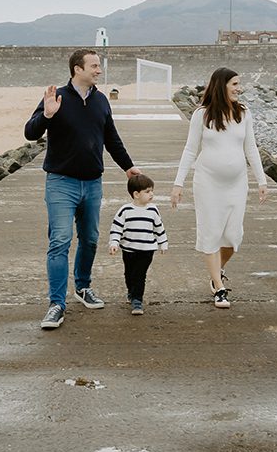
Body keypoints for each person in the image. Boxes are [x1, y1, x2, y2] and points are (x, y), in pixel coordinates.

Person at [25, 48, 141, 331]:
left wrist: (128, 167)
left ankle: (83, 287)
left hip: (92, 183)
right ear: (77, 69)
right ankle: (56, 304)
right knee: (60, 241)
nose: (98, 70)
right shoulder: (58, 97)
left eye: (98, 66)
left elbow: (111, 138)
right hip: (61, 182)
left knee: (90, 239)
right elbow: (30, 132)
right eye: (94, 66)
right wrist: (47, 115)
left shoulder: (101, 101)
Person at [170, 66, 267, 310]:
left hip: (237, 183)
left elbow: (251, 148)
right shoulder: (201, 115)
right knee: (211, 232)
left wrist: (262, 180)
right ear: (221, 85)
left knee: (233, 236)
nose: (239, 88)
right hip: (208, 183)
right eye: (235, 84)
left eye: (239, 84)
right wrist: (178, 183)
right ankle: (218, 287)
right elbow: (190, 150)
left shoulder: (243, 113)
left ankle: (218, 269)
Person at [108, 172, 168, 316]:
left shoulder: (153, 210)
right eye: (147, 191)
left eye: (152, 190)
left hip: (147, 250)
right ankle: (131, 292)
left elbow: (159, 227)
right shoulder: (125, 210)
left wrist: (163, 242)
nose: (151, 194)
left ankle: (137, 300)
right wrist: (114, 242)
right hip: (128, 249)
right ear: (136, 194)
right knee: (129, 273)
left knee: (140, 275)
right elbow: (116, 228)